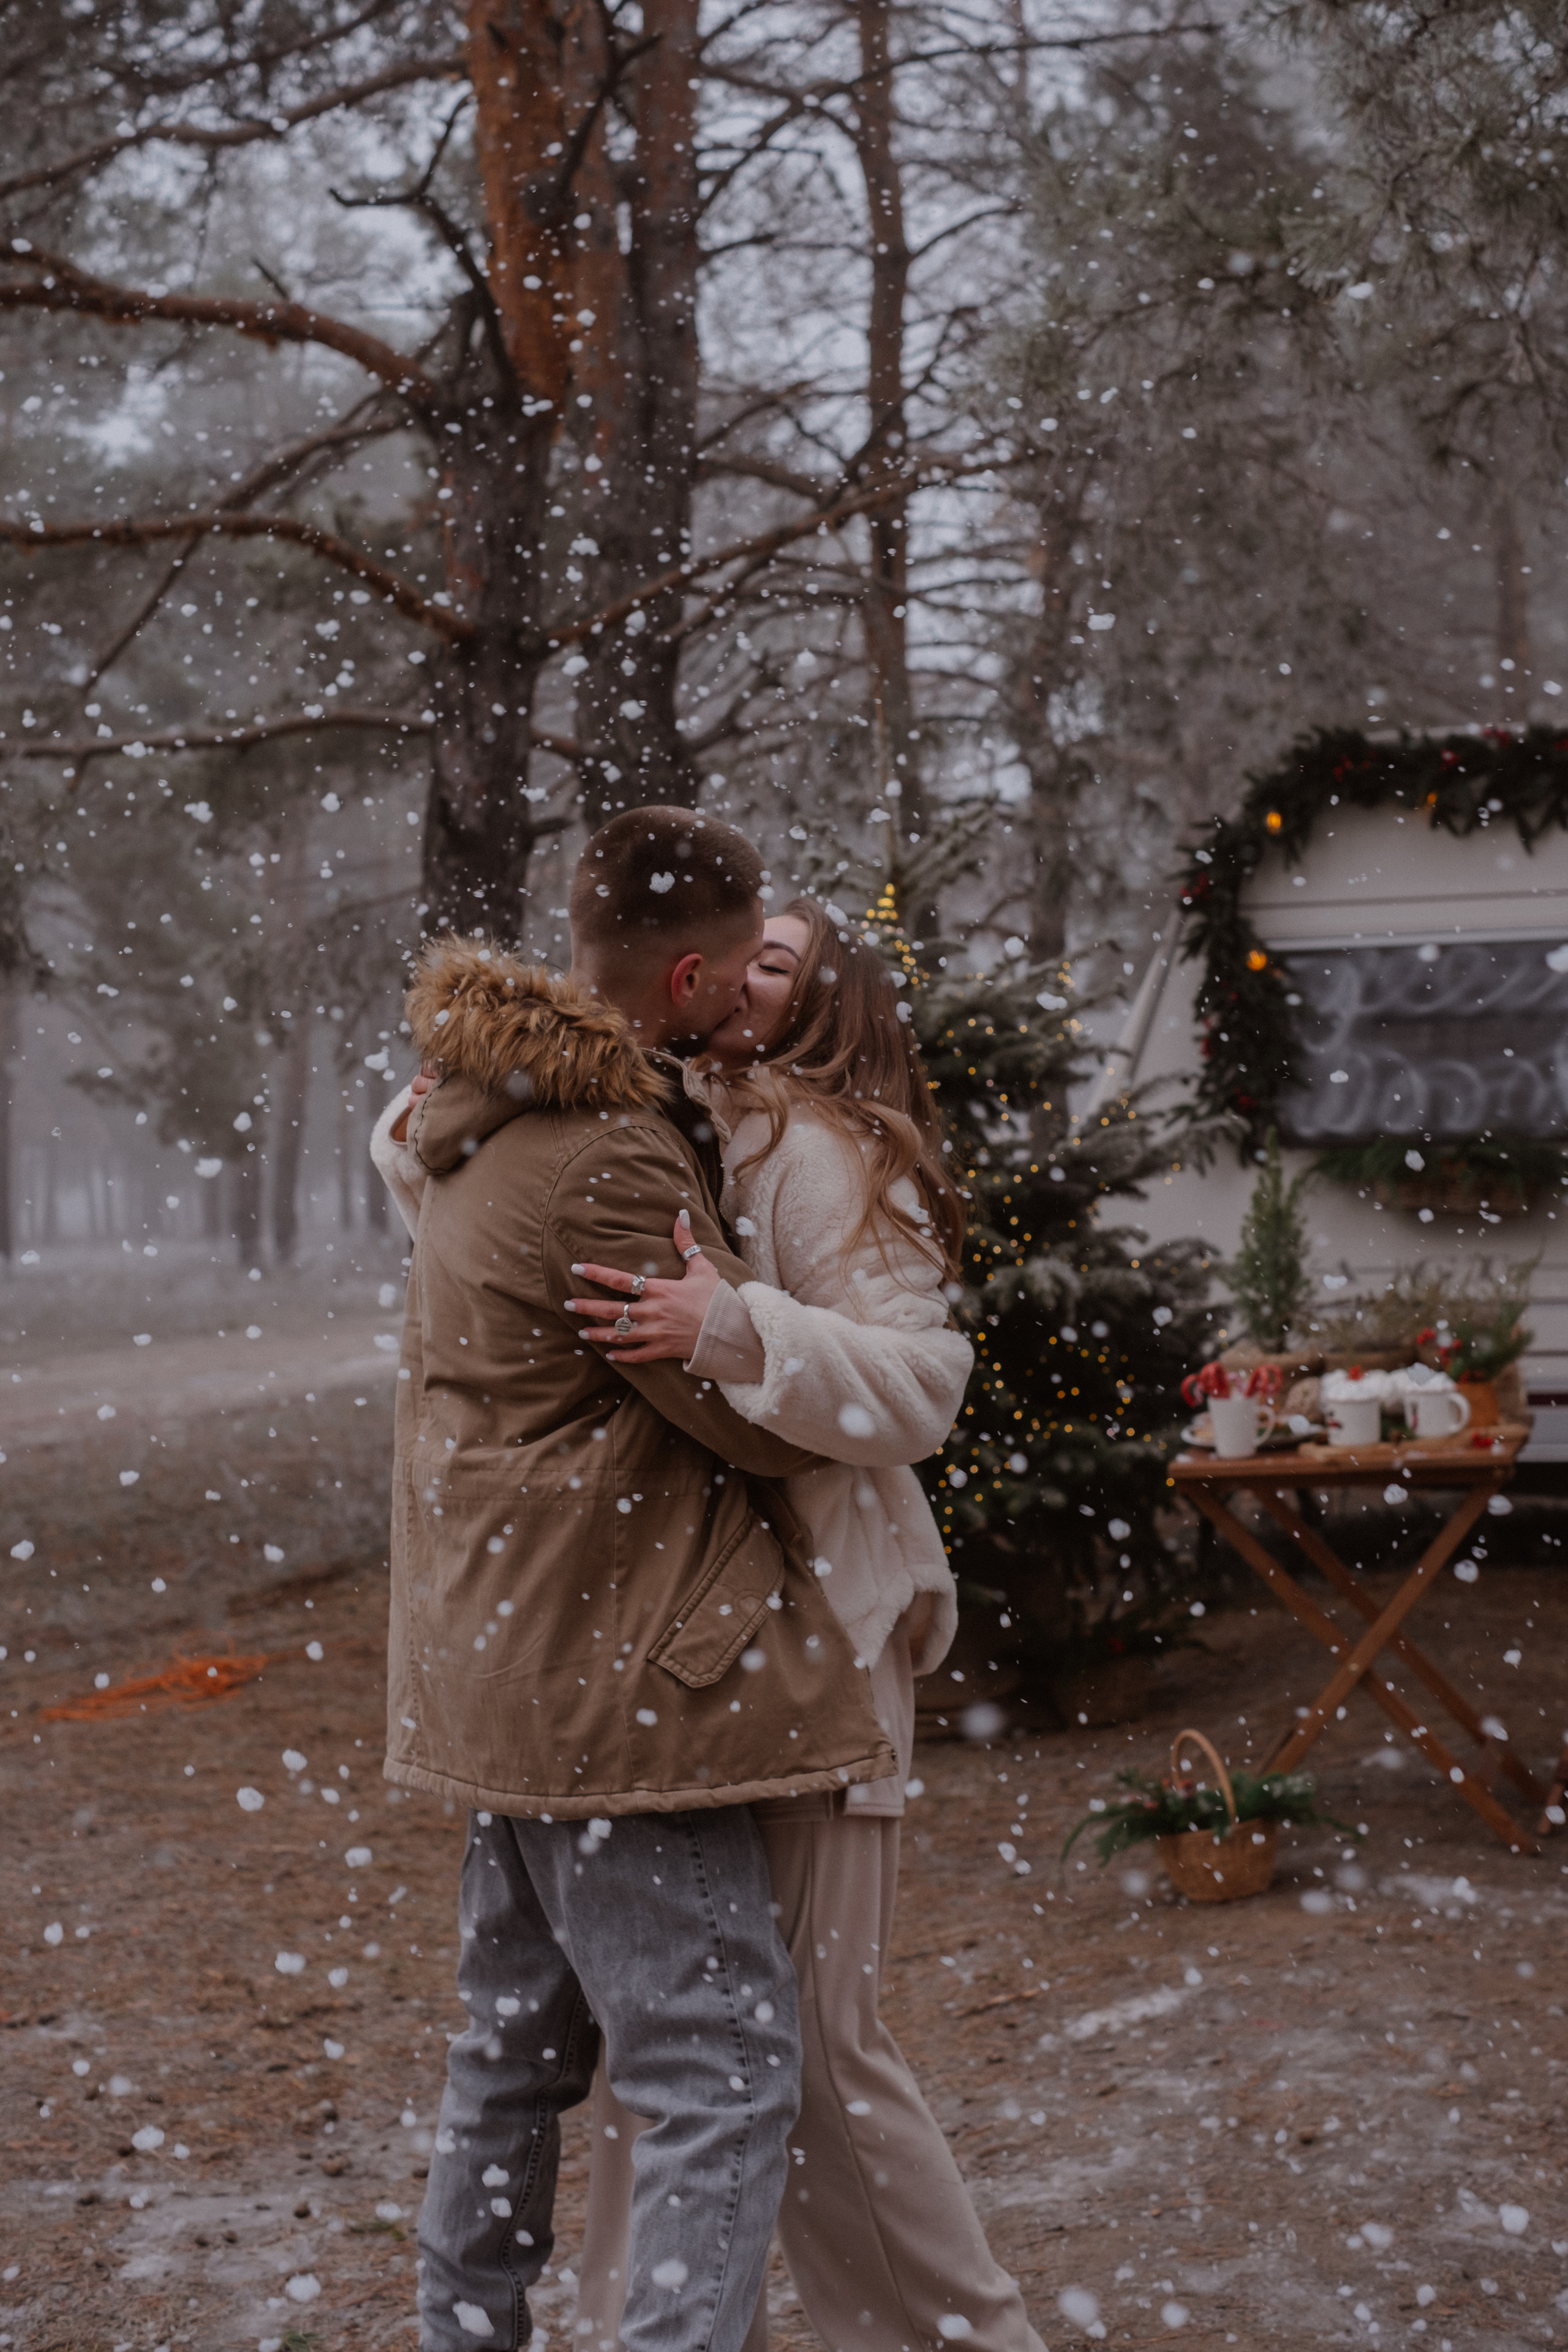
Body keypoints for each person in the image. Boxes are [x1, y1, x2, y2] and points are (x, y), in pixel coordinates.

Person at [377, 814, 895, 2352]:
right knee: (722, 2070)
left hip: (506, 1663)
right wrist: (778, 1339)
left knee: (514, 2054)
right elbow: (751, 1429)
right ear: (685, 974)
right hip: (609, 1686)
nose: (755, 1006)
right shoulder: (607, 1154)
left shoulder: (482, 1116)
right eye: (741, 976)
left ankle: (458, 2331)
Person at [559, 898, 1047, 2352]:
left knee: (816, 2053)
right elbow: (432, 1158)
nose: (734, 972)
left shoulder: (825, 1148)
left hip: (826, 1641)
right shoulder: (655, 1115)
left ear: (824, 1006)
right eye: (729, 948)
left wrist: (737, 1325)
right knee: (662, 2047)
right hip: (676, 1654)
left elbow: (921, 1383)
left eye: (778, 961)